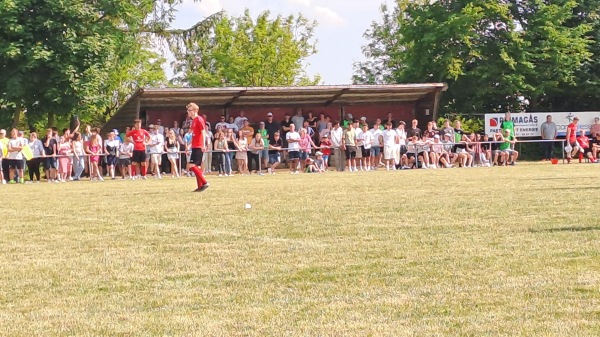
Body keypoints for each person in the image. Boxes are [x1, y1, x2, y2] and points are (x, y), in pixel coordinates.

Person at [186, 102, 209, 191]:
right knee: (197, 167)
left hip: (198, 146)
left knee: (191, 166)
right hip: (194, 146)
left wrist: (203, 145)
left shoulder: (199, 119)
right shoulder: (194, 121)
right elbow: (194, 135)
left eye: (190, 110)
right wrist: (189, 145)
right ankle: (200, 187)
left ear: (195, 110)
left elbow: (203, 132)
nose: (188, 112)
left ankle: (205, 182)